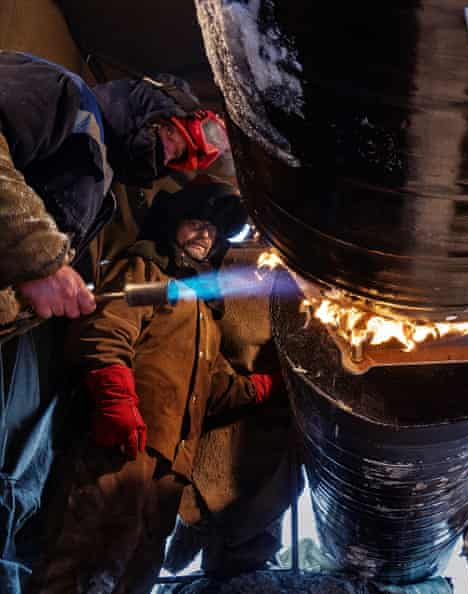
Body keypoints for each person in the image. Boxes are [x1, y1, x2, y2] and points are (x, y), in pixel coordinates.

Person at [0, 50, 231, 592]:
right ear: (150, 102)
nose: (169, 158)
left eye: (179, 161)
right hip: (117, 441)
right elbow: (107, 326)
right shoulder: (64, 95)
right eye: (174, 137)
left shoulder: (101, 182)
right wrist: (42, 261)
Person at [26, 181, 280, 594]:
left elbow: (212, 387)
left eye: (212, 231)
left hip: (169, 470)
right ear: (174, 224)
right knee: (78, 561)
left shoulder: (204, 314)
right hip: (120, 447)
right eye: (196, 223)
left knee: (134, 575)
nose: (204, 235)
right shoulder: (147, 273)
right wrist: (115, 399)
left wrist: (264, 388)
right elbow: (107, 326)